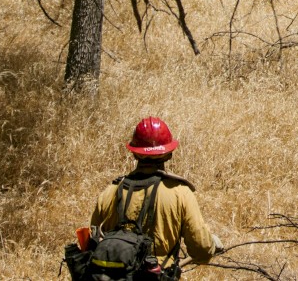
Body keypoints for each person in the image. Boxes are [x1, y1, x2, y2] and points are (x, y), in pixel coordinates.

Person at [90, 117, 221, 277]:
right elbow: (202, 250)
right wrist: (212, 244)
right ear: (168, 155)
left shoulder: (110, 191)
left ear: (134, 153)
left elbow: (91, 244)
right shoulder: (180, 192)